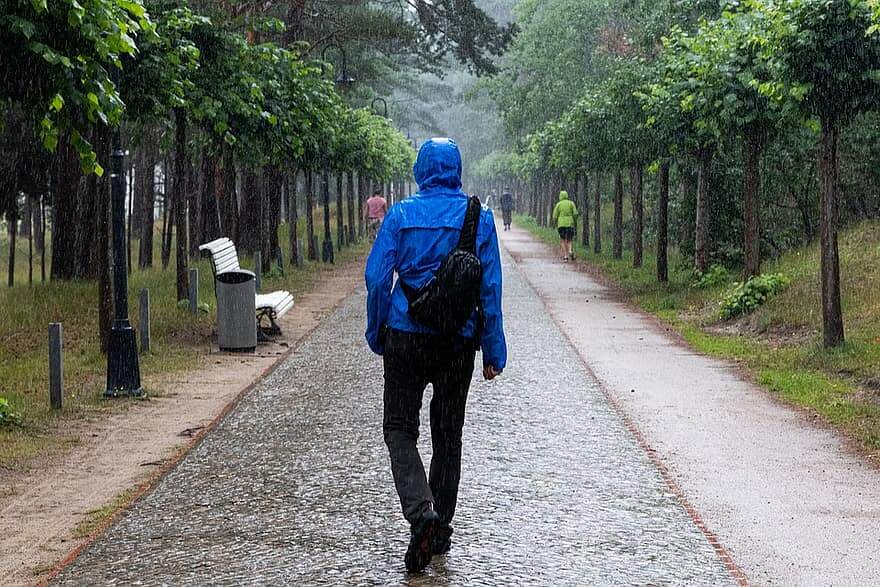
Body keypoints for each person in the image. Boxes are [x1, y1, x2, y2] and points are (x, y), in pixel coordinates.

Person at [365, 138, 507, 573]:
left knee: (399, 430)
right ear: (457, 169)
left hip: (405, 337)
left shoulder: (401, 214)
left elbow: (376, 278)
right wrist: (492, 348)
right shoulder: (477, 217)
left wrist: (377, 331)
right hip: (456, 342)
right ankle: (439, 525)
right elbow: (490, 289)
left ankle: (420, 513)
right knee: (448, 435)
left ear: (420, 170)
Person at [552, 189, 578, 261]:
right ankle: (570, 251)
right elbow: (575, 213)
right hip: (570, 224)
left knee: (562, 240)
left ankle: (566, 256)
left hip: (561, 225)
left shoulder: (558, 204)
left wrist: (555, 222)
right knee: (569, 240)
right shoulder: (571, 203)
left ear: (560, 196)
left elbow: (554, 216)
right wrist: (574, 220)